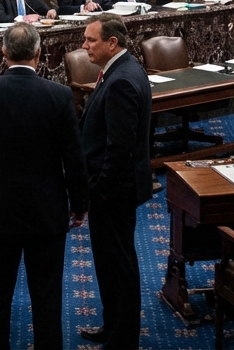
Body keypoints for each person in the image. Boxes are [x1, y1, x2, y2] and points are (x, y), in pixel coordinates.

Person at [0, 24, 89, 350]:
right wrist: (80, 204)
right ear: (39, 55)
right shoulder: (58, 96)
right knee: (47, 297)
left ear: (3, 52)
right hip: (47, 212)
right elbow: (74, 157)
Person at [77, 18, 151, 348]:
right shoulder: (123, 69)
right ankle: (113, 327)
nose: (84, 45)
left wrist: (100, 190)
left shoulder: (122, 80)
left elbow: (119, 148)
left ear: (112, 43)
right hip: (115, 188)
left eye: (91, 40)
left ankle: (123, 338)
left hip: (114, 191)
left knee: (119, 265)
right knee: (110, 263)